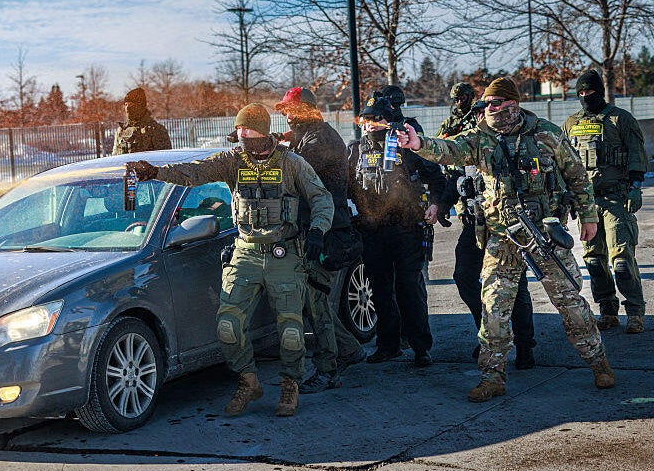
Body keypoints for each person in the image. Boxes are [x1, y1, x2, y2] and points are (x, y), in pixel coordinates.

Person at [397, 76, 615, 402]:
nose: (490, 109)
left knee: (570, 302)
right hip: (501, 238)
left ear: (513, 103)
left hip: (545, 234)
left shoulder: (547, 134)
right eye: (486, 104)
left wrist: (588, 216)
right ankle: (493, 376)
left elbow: (577, 176)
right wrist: (418, 144)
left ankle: (598, 362)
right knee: (493, 309)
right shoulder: (480, 138)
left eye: (496, 103)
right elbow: (449, 149)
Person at [125, 103, 334, 417]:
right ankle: (248, 381)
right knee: (227, 326)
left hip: (283, 253)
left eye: (246, 129)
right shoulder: (232, 161)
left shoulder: (292, 163)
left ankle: (290, 383)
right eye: (239, 130)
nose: (241, 135)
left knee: (291, 329)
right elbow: (194, 172)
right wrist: (154, 172)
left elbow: (322, 198)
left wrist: (318, 230)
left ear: (262, 131)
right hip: (245, 252)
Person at [272, 87, 365, 393]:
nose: (286, 115)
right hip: (312, 230)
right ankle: (349, 350)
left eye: (290, 110)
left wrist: (265, 146)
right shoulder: (309, 135)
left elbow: (292, 167)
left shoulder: (320, 140)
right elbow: (290, 145)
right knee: (314, 302)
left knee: (316, 303)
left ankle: (329, 369)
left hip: (325, 232)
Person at [349, 86, 447, 368]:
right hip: (372, 231)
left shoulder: (406, 147)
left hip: (406, 229)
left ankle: (420, 347)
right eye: (364, 119)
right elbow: (343, 187)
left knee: (409, 289)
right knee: (380, 290)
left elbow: (439, 181)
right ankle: (388, 345)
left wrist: (436, 206)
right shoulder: (355, 151)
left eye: (373, 118)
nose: (367, 124)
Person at [438, 97, 537, 368]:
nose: (481, 118)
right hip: (474, 225)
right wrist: (442, 206)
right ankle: (489, 335)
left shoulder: (510, 143)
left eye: (485, 112)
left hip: (506, 226)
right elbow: (454, 179)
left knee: (516, 285)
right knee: (464, 277)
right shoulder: (469, 143)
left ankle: (525, 344)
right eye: (478, 114)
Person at [563, 69, 647, 333]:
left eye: (589, 91)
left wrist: (635, 187)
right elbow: (563, 164)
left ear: (600, 91)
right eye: (581, 93)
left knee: (621, 258)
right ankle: (607, 311)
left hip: (616, 198)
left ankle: (634, 312)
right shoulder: (571, 124)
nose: (585, 96)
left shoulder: (620, 119)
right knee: (593, 259)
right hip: (586, 204)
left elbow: (636, 155)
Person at [110, 87, 171, 155]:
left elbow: (165, 159)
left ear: (140, 105)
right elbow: (115, 157)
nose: (127, 108)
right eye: (126, 104)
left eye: (131, 104)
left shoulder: (156, 130)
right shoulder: (121, 130)